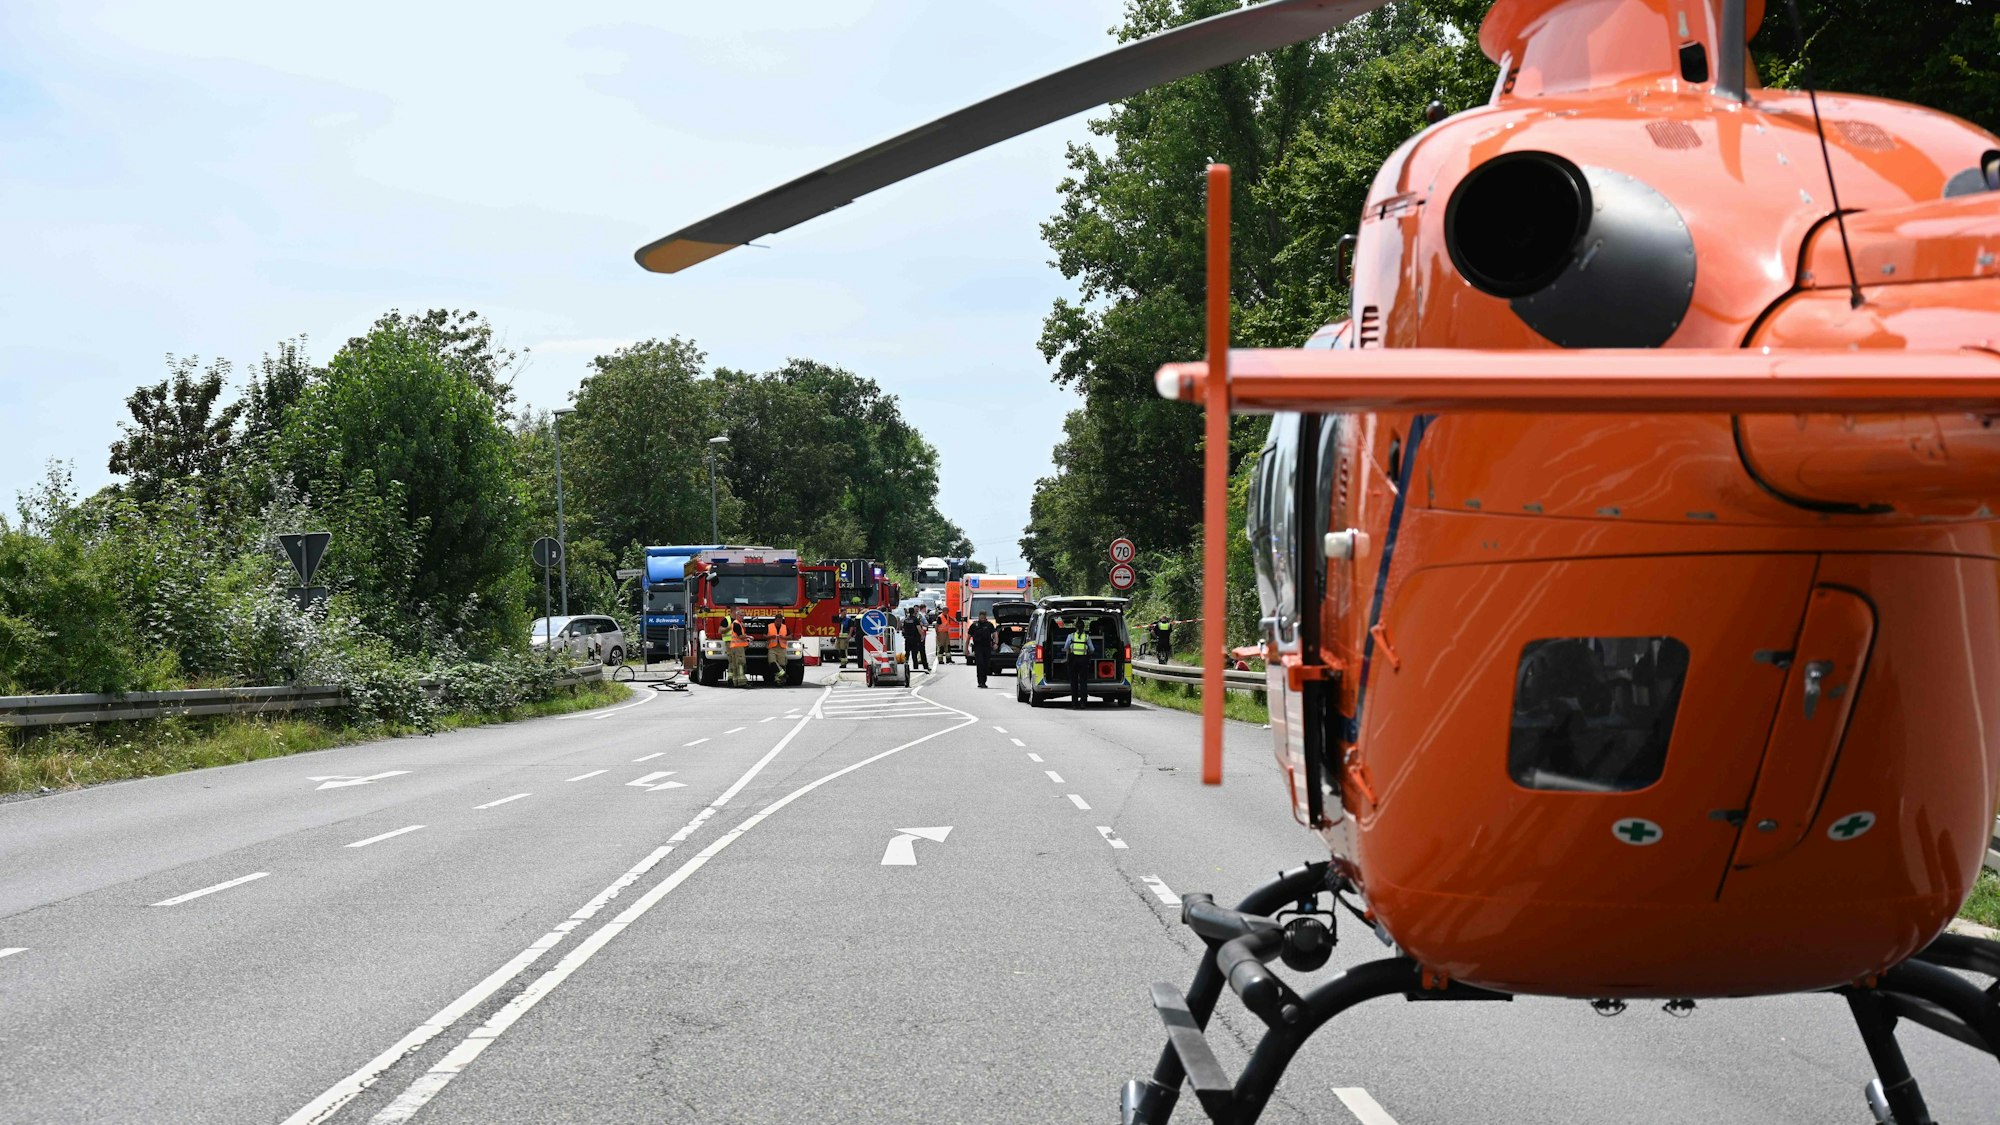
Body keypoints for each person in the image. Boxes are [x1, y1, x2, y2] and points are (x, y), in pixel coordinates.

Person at [1064, 618, 1094, 707]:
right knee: (1083, 682)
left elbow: (1066, 647)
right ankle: (1083, 702)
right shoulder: (1087, 637)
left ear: (1075, 627)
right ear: (1084, 627)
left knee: (1074, 682)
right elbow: (1092, 649)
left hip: (1073, 660)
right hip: (1084, 661)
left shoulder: (1071, 636)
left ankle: (1074, 702)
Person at [967, 611, 997, 688]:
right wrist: (966, 649)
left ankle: (984, 681)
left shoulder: (989, 625)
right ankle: (980, 682)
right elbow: (968, 637)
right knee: (980, 664)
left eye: (984, 617)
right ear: (979, 616)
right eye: (981, 617)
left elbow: (995, 634)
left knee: (986, 665)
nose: (982, 619)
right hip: (978, 647)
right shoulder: (974, 625)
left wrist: (995, 643)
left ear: (985, 617)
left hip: (987, 647)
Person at [724, 613, 749, 688]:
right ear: (737, 616)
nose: (742, 617)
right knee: (741, 663)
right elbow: (740, 636)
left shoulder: (738, 623)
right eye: (741, 616)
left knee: (735, 664)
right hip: (738, 647)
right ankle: (741, 682)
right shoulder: (737, 624)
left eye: (743, 616)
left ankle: (735, 682)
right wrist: (749, 637)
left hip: (736, 646)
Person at [903, 607, 930, 672]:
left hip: (907, 639)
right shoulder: (915, 619)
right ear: (914, 612)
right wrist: (922, 636)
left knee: (907, 654)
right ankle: (915, 668)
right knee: (914, 654)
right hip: (914, 639)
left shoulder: (905, 620)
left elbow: (903, 629)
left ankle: (905, 667)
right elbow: (919, 629)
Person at [767, 616, 790, 683]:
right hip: (772, 647)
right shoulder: (769, 626)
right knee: (772, 662)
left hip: (782, 648)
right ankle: (783, 675)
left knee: (781, 664)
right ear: (775, 620)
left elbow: (790, 636)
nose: (778, 623)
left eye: (780, 621)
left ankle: (778, 680)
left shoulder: (784, 627)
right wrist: (771, 637)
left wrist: (784, 637)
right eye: (777, 621)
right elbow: (764, 635)